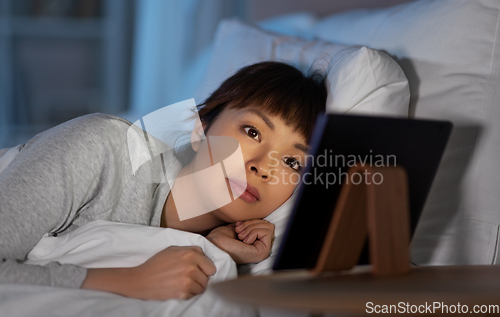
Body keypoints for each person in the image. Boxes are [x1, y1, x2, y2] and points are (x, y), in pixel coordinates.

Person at [0, 61, 327, 301]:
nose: (263, 167)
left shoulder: (226, 255)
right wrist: (130, 281)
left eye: (291, 161)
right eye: (253, 131)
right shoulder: (102, 149)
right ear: (201, 130)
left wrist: (213, 250)